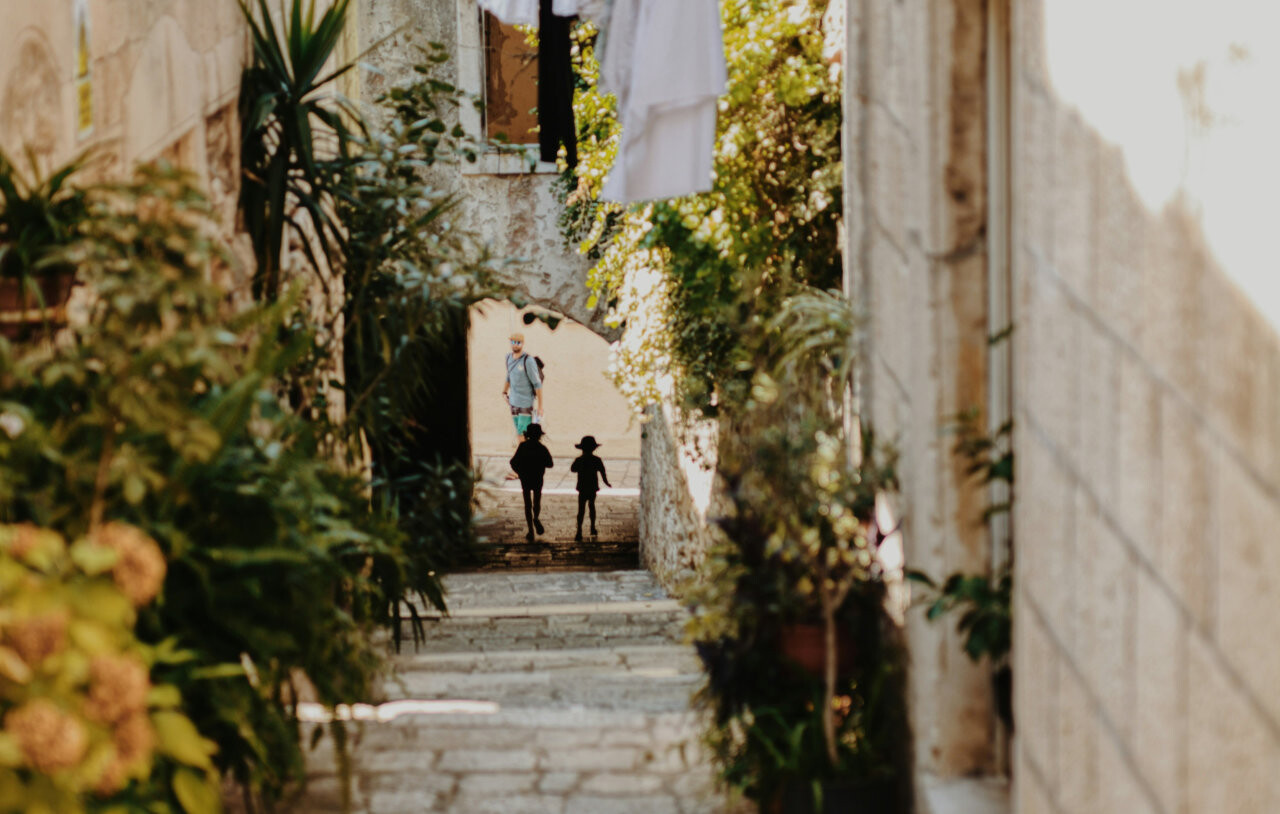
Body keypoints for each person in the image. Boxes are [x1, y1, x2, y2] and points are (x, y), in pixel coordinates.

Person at [502, 332, 543, 478]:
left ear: (522, 344)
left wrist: (540, 406)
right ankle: (526, 465)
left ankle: (519, 469)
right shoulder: (508, 358)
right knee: (521, 436)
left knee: (521, 436)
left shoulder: (528, 360)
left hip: (526, 403)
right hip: (513, 402)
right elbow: (509, 376)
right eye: (513, 341)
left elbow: (537, 383)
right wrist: (504, 391)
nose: (515, 344)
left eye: (518, 342)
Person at [509, 423, 553, 542]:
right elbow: (550, 464)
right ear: (539, 436)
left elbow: (512, 462)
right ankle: (536, 518)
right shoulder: (542, 448)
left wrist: (519, 472)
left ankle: (530, 530)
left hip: (525, 478)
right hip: (538, 477)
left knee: (527, 504)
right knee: (537, 501)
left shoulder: (523, 446)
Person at [570, 435, 611, 542]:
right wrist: (606, 482)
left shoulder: (579, 459)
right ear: (594, 448)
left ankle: (579, 531)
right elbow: (602, 472)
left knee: (581, 509)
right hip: (592, 486)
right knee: (592, 506)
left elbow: (573, 469)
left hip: (582, 487)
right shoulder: (597, 460)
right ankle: (592, 527)